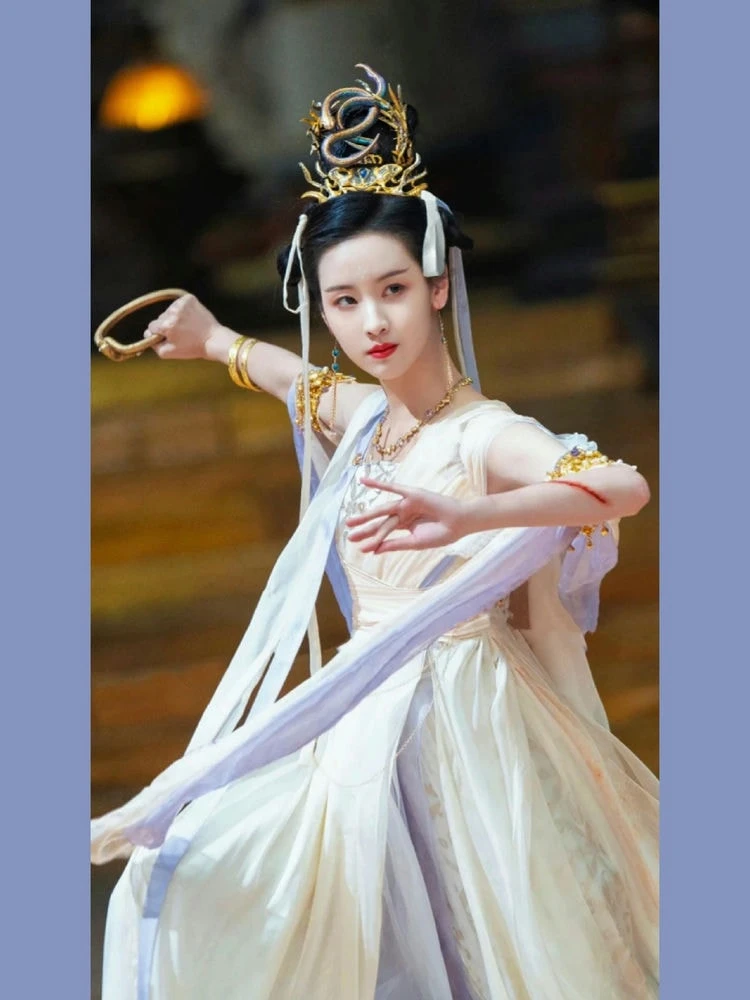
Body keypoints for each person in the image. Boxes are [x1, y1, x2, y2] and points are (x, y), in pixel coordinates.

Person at [92, 65, 658, 1000]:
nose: (372, 321)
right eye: (344, 302)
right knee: (231, 879)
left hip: (470, 713)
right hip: (366, 711)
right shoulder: (363, 418)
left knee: (490, 931)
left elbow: (619, 485)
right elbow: (297, 381)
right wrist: (215, 340)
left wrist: (471, 514)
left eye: (392, 289)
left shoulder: (484, 433)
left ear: (437, 286)